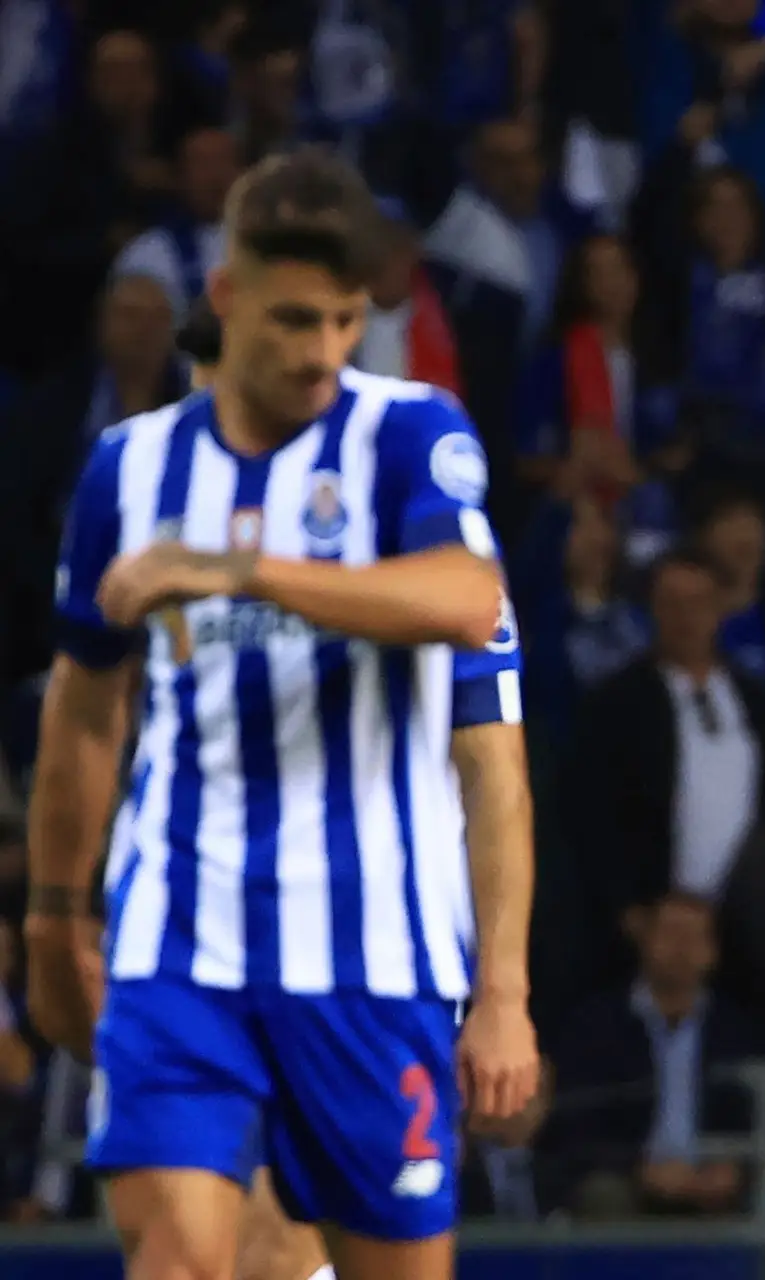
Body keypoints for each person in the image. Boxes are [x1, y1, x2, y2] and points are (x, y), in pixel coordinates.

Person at [23, 149, 541, 1280]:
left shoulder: (410, 437)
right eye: (296, 319)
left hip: (374, 957)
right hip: (180, 937)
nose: (321, 353)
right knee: (176, 1260)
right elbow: (84, 709)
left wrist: (242, 571)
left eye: (346, 321)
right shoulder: (130, 471)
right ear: (226, 294)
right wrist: (54, 912)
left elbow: (467, 598)